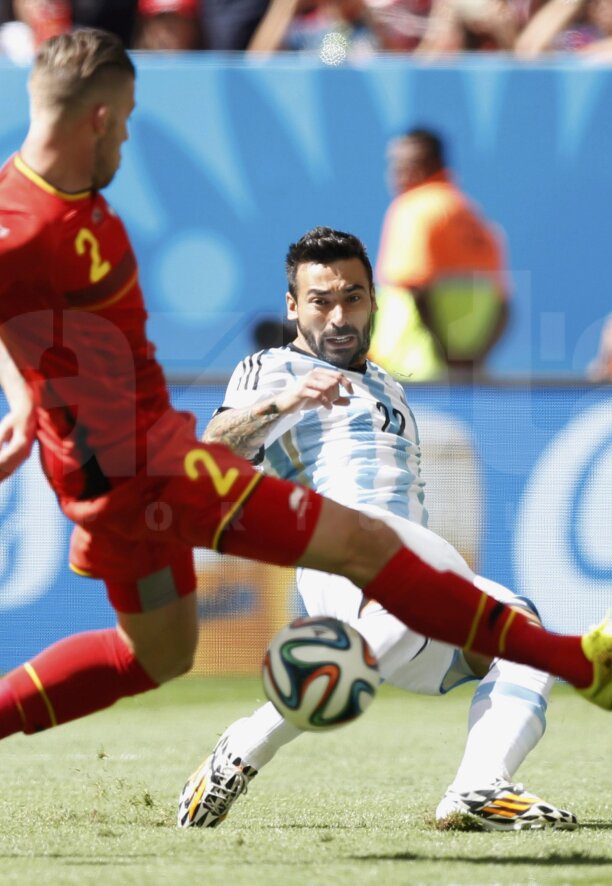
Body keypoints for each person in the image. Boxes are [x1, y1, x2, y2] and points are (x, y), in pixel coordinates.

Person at [0, 30, 612, 859]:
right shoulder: (20, 222)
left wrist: (22, 397)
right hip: (147, 465)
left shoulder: (34, 191)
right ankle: (584, 662)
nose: (132, 136)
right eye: (128, 118)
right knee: (366, 545)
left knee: (158, 657)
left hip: (119, 473)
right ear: (96, 117)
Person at [177, 227, 576, 831]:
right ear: (293, 307)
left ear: (374, 301)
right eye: (320, 301)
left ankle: (478, 788)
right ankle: (246, 746)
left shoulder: (389, 384)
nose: (339, 315)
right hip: (340, 554)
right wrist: (285, 403)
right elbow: (214, 447)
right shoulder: (273, 367)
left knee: (525, 638)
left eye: (354, 297)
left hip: (413, 573)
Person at [369, 128, 509, 380]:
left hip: (410, 371)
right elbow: (504, 307)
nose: (394, 172)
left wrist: (446, 354)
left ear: (426, 165)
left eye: (403, 164)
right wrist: (472, 361)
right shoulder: (473, 216)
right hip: (462, 374)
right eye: (394, 164)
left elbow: (414, 289)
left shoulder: (412, 209)